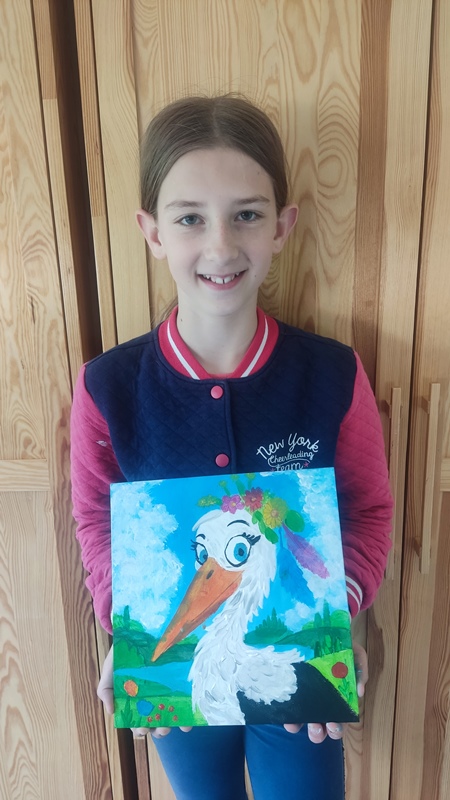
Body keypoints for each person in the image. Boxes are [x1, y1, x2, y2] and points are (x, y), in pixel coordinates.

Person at [71, 95, 393, 800]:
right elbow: (97, 518)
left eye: (246, 214)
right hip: (176, 674)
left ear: (282, 227)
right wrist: (128, 626)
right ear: (152, 232)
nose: (220, 246)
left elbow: (367, 509)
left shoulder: (333, 374)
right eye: (190, 218)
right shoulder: (107, 387)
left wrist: (333, 620)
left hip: (299, 677)